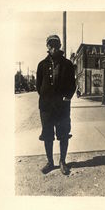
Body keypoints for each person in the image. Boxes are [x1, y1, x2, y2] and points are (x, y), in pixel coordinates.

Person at [36, 35, 76, 175]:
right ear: (47, 46)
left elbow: (73, 85)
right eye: (50, 44)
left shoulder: (68, 64)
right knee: (47, 135)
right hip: (46, 108)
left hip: (62, 107)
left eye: (56, 44)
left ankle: (62, 162)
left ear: (59, 46)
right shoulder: (42, 65)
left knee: (63, 134)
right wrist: (47, 97)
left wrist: (67, 97)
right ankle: (50, 162)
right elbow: (38, 86)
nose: (53, 47)